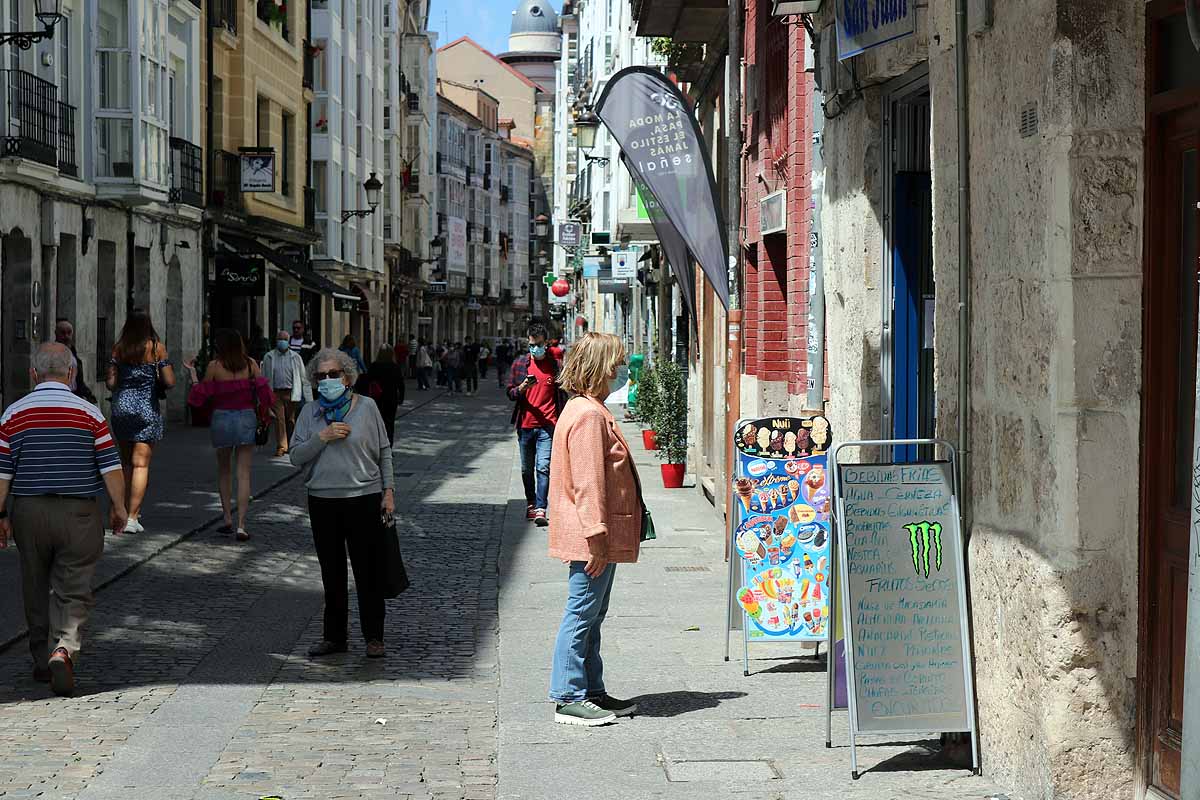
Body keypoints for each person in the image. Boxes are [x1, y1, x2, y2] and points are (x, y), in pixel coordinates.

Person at [0, 342, 128, 696]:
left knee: (34, 581)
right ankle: (65, 646)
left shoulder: (13, 414)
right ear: (72, 373)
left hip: (28, 510)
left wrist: (0, 513)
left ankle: (41, 658)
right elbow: (110, 465)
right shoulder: (89, 413)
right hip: (79, 512)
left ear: (33, 374)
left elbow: (2, 471)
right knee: (75, 585)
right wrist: (119, 507)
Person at [546, 332, 640, 726]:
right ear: (600, 368)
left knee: (593, 613)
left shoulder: (589, 408)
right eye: (616, 364)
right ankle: (569, 694)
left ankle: (592, 690)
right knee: (582, 612)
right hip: (591, 537)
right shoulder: (586, 414)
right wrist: (596, 535)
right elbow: (588, 482)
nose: (620, 371)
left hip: (598, 534)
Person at [290, 348, 395, 659]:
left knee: (368, 572)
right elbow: (295, 456)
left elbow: (384, 450)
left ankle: (374, 637)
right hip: (323, 500)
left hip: (363, 497)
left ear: (348, 378)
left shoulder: (367, 408)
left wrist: (388, 491)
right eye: (321, 376)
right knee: (331, 573)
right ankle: (334, 637)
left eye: (333, 374)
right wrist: (321, 437)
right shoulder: (310, 413)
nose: (327, 380)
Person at [184, 330, 274, 541]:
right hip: (246, 418)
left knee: (224, 471)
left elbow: (200, 396)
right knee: (244, 474)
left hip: (222, 419)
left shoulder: (215, 366)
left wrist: (193, 375)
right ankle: (242, 524)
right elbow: (265, 395)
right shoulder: (251, 364)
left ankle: (227, 518)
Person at [106, 308, 175, 534]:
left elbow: (110, 383)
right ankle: (133, 517)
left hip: (122, 408)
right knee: (141, 464)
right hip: (146, 408)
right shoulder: (156, 348)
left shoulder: (119, 348)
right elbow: (169, 381)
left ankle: (121, 510)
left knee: (125, 462)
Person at [506, 322, 565, 527]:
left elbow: (563, 394)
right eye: (531, 344)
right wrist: (522, 387)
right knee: (526, 469)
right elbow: (510, 393)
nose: (534, 348)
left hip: (548, 426)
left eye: (538, 344)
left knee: (543, 467)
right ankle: (531, 502)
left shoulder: (555, 365)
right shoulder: (520, 364)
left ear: (546, 343)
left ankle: (541, 507)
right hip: (525, 425)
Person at [262, 329, 312, 457]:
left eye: (284, 339)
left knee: (290, 419)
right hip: (276, 393)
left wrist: (309, 399)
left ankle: (292, 443)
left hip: (291, 393)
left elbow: (303, 378)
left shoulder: (295, 357)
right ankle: (281, 446)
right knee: (280, 419)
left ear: (288, 341)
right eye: (280, 339)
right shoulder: (269, 357)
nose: (282, 342)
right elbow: (264, 377)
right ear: (276, 341)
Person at [361, 346, 404, 445]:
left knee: (376, 423)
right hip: (391, 399)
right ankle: (388, 446)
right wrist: (401, 398)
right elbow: (401, 384)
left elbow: (367, 382)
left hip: (376, 399)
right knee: (389, 424)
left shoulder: (374, 366)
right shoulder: (395, 367)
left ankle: (377, 445)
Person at [54, 319, 97, 404]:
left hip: (74, 397)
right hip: (59, 398)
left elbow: (78, 380)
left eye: (69, 333)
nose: (66, 336)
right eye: (62, 333)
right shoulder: (51, 354)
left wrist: (88, 395)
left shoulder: (73, 353)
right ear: (56, 334)